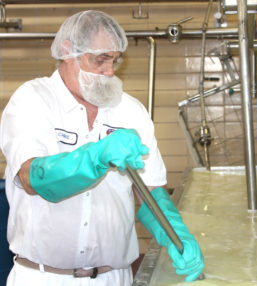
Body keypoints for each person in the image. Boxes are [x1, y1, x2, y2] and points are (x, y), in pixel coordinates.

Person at [0, 10, 204, 286]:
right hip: (43, 277)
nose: (109, 71)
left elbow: (150, 191)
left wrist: (177, 236)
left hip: (113, 278)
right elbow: (32, 177)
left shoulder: (130, 111)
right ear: (67, 51)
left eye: (115, 60)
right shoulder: (33, 100)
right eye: (100, 60)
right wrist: (97, 157)